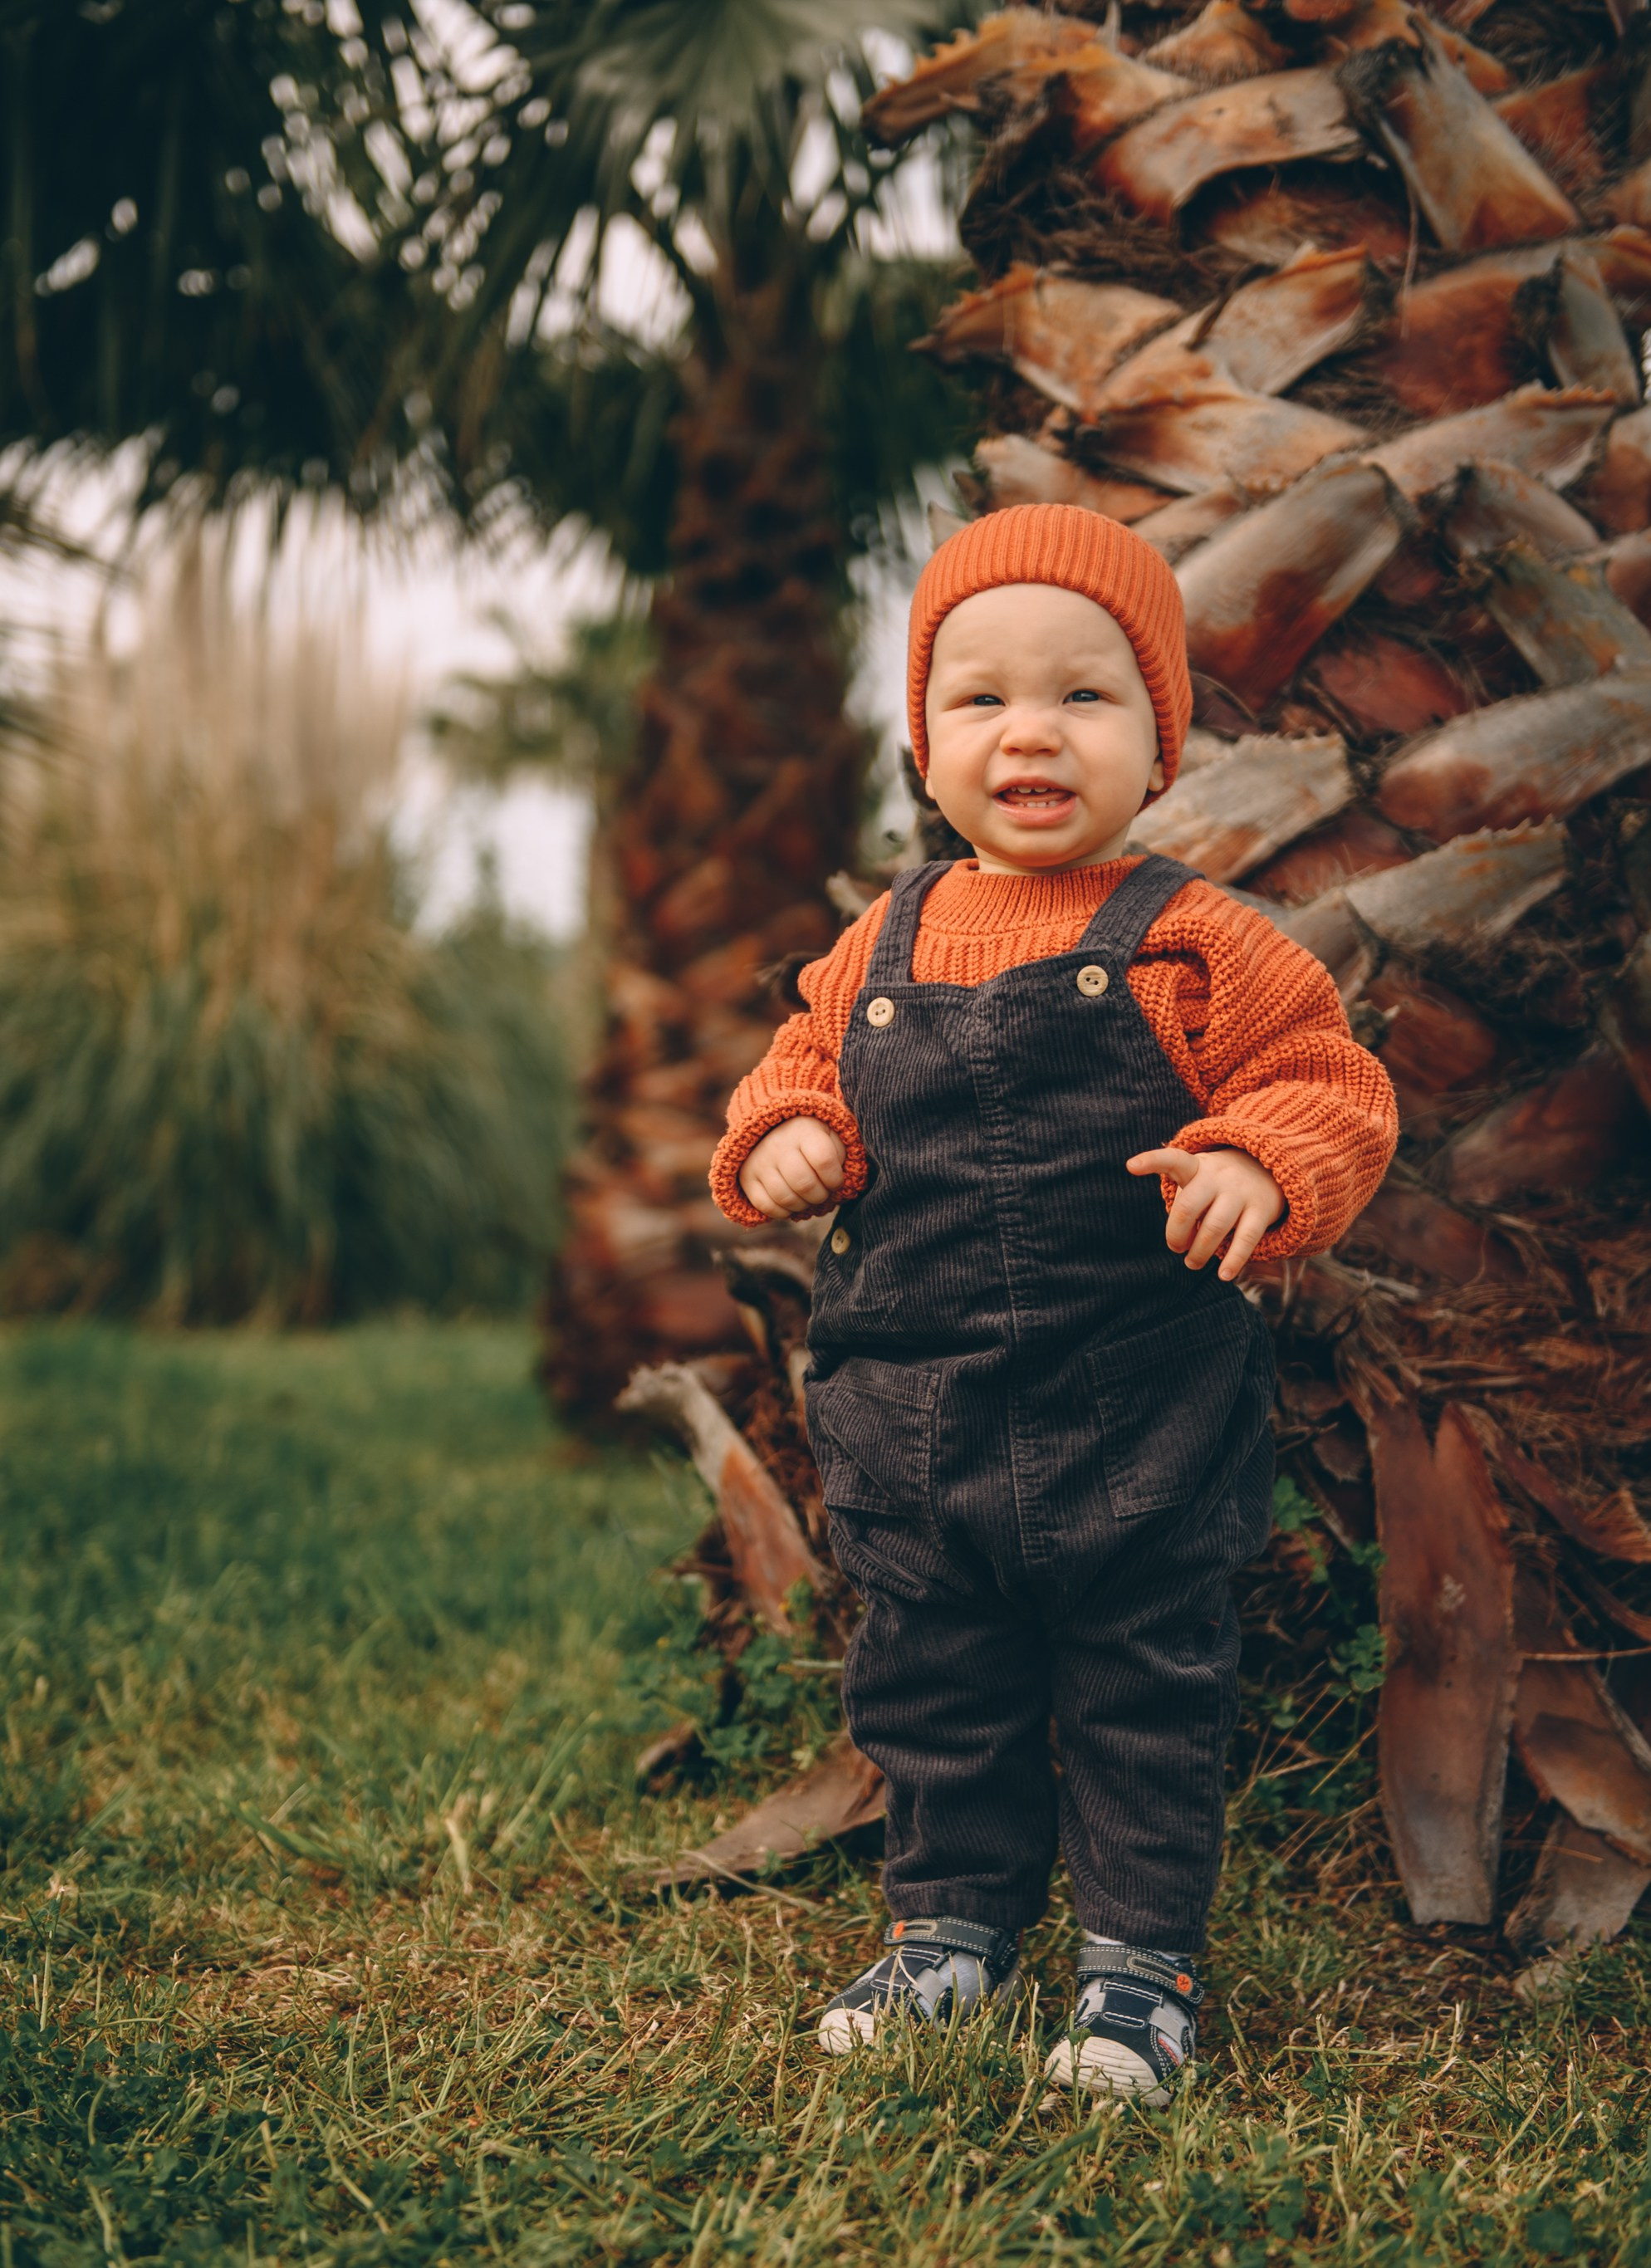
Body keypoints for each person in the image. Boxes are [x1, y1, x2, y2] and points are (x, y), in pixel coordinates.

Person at [708, 503, 1398, 2104]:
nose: (1032, 732)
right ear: (924, 740)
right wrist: (790, 1137)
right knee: (933, 1684)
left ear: (1159, 745)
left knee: (1145, 1691)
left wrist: (1262, 1160)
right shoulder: (871, 945)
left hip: (1139, 1421)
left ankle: (1138, 1974)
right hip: (918, 1423)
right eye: (982, 697)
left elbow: (1326, 1077)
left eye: (1086, 696)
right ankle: (948, 1928)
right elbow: (786, 1082)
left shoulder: (1196, 940)